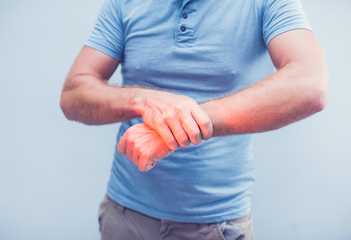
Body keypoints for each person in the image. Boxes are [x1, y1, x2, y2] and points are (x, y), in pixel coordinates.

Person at [60, 0, 328, 239]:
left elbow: (310, 83)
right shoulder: (123, 4)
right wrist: (143, 101)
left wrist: (180, 126)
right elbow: (73, 93)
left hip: (217, 224)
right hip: (125, 216)